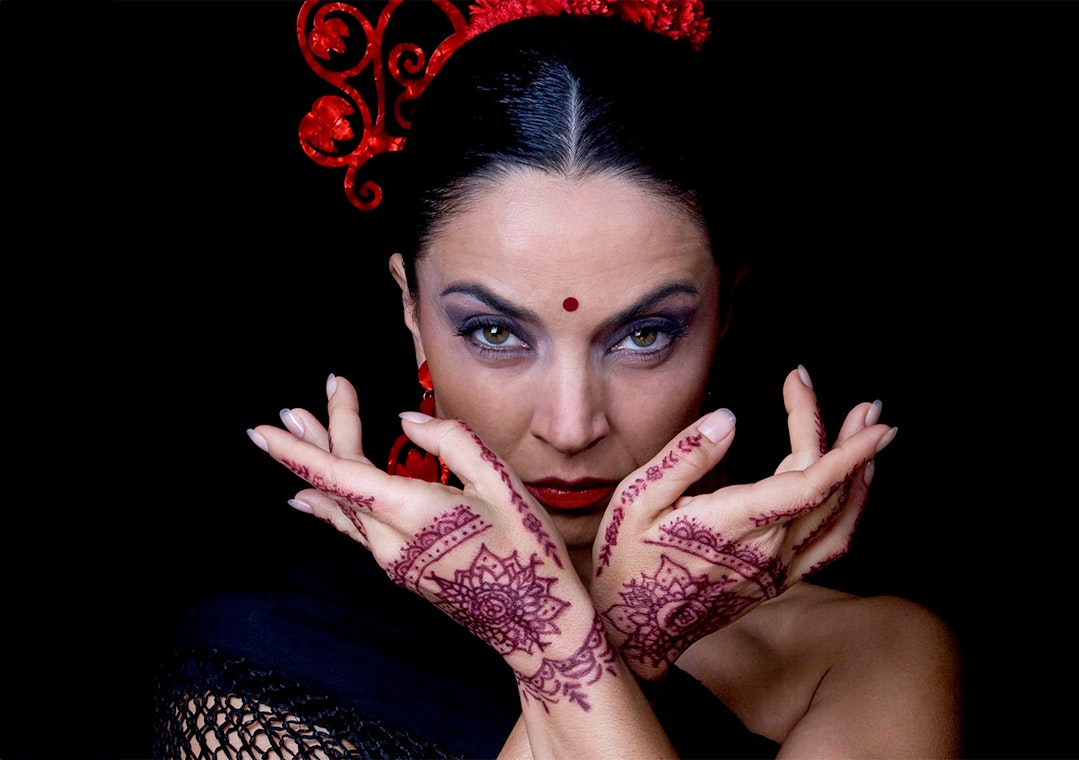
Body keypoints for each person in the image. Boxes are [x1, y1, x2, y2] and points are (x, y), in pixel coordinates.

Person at [152, 1, 962, 757]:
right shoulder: (267, 655)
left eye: (644, 334)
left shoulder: (865, 655)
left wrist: (563, 647)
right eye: (496, 332)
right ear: (410, 310)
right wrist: (578, 642)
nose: (571, 426)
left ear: (727, 318)